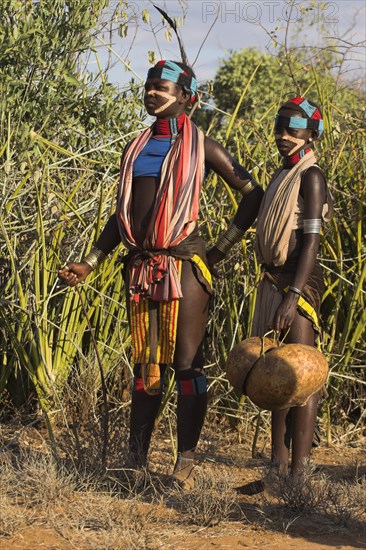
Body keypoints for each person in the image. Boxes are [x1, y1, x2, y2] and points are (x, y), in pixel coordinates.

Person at [59, 60, 264, 488]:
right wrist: (91, 261)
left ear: (186, 96)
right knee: (146, 367)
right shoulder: (136, 147)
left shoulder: (202, 146)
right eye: (149, 86)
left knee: (186, 365)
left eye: (162, 87)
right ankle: (135, 463)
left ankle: (184, 463)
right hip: (141, 266)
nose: (152, 93)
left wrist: (220, 249)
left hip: (184, 266)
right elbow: (123, 216)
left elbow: (252, 194)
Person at [239, 97, 333, 494]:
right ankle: (276, 470)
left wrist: (293, 295)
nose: (283, 136)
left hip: (295, 283)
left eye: (293, 129)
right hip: (273, 281)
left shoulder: (310, 177)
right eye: (279, 128)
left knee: (302, 377)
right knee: (274, 375)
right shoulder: (283, 174)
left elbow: (310, 240)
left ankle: (299, 476)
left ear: (311, 134)